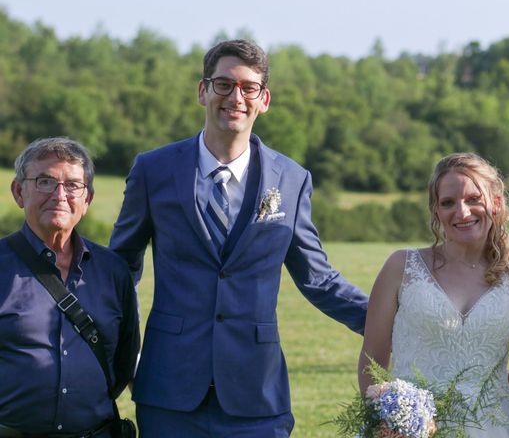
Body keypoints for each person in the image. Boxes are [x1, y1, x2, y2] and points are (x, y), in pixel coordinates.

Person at [109, 39, 368, 437]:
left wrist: (394, 322)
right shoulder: (153, 170)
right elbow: (119, 271)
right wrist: (124, 353)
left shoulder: (292, 180)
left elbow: (319, 279)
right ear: (203, 91)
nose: (236, 97)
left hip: (257, 396)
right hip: (169, 390)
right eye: (224, 84)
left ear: (264, 100)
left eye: (248, 88)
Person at [359, 152, 509, 437]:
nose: (462, 212)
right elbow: (371, 362)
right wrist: (386, 420)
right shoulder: (402, 267)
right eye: (448, 203)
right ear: (436, 211)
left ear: (496, 204)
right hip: (411, 431)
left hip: (497, 429)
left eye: (474, 199)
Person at [0, 137, 139, 437]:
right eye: (45, 181)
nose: (60, 195)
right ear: (18, 191)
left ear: (87, 199)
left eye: (73, 185)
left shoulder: (114, 272)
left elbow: (125, 360)